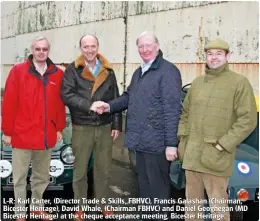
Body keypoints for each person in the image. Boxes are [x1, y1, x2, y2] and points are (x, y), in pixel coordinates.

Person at [91, 31, 182, 220]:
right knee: (145, 187)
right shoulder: (139, 72)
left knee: (158, 189)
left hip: (158, 144)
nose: (145, 49)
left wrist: (171, 144)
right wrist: (108, 106)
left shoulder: (168, 71)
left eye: (148, 45)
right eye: (141, 46)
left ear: (157, 47)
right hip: (140, 143)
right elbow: (127, 97)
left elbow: (172, 109)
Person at [177, 39, 257, 221]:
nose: (214, 58)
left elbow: (248, 120)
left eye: (219, 54)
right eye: (210, 54)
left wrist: (223, 145)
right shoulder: (197, 83)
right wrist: (183, 140)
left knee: (219, 209)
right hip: (192, 157)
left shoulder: (239, 83)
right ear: (205, 57)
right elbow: (185, 113)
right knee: (192, 208)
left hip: (216, 158)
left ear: (228, 56)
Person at [2, 36, 66, 221]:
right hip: (22, 135)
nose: (41, 52)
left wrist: (59, 128)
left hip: (45, 136)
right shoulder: (18, 71)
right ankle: (20, 212)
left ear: (48, 51)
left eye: (44, 49)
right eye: (37, 49)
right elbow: (9, 103)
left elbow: (60, 105)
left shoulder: (57, 74)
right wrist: (7, 132)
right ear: (32, 50)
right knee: (20, 178)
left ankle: (37, 207)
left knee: (41, 177)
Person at [60, 34, 122, 219]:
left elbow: (116, 99)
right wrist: (89, 105)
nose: (90, 50)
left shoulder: (108, 71)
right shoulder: (73, 70)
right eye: (86, 46)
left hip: (104, 127)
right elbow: (66, 95)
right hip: (82, 127)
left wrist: (117, 124)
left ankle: (103, 204)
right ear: (81, 48)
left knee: (103, 170)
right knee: (79, 170)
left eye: (93, 46)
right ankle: (80, 206)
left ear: (98, 46)